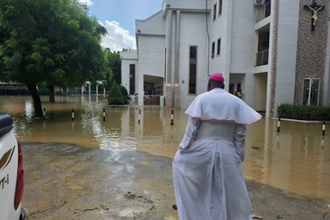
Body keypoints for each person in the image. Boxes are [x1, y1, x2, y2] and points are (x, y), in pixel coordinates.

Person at [172, 73, 262, 220]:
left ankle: (198, 214)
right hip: (228, 151)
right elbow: (240, 135)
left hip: (201, 150)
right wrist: (238, 155)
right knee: (229, 190)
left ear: (209, 84)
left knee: (184, 168)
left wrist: (183, 149)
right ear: (223, 86)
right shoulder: (235, 102)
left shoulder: (201, 98)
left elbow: (192, 130)